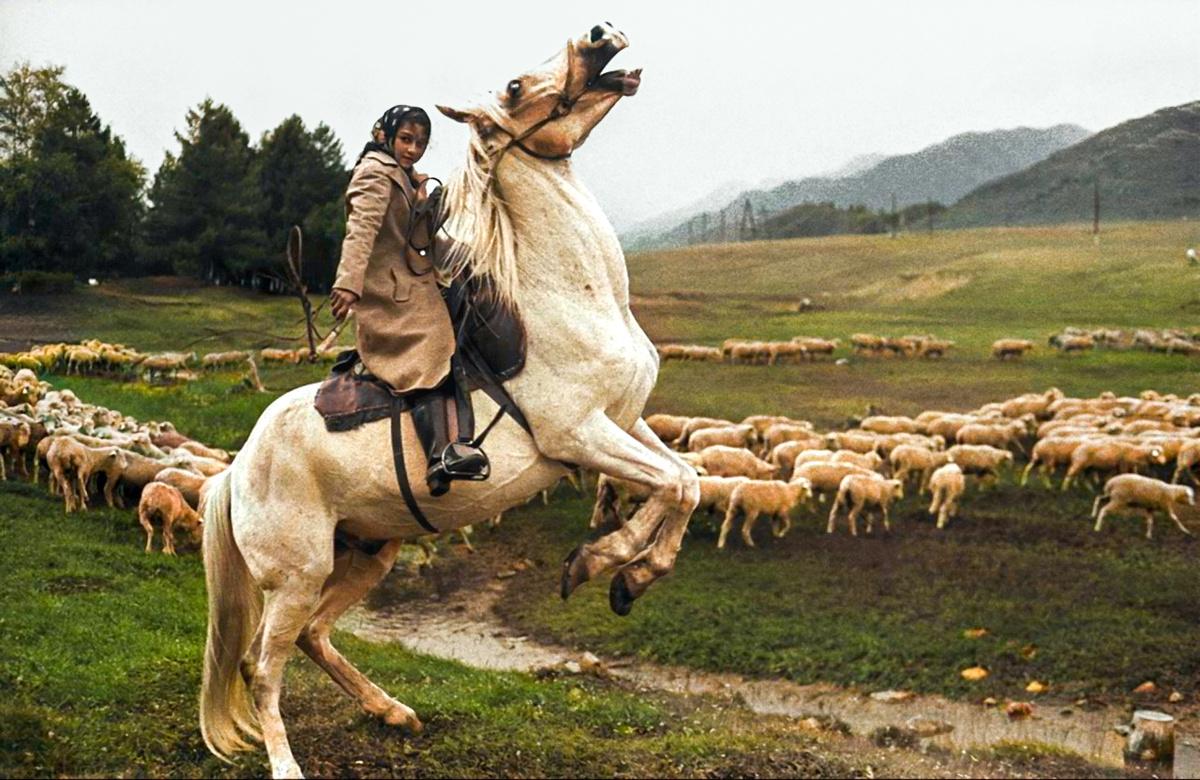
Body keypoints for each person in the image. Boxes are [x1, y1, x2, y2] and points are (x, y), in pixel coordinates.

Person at [330, 104, 487, 496]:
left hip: (412, 281)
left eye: (420, 143)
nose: (413, 149)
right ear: (383, 135)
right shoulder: (374, 173)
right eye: (406, 139)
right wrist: (348, 284)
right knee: (431, 345)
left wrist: (475, 255)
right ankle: (438, 457)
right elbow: (362, 229)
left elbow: (417, 242)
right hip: (389, 295)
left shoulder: (405, 176)